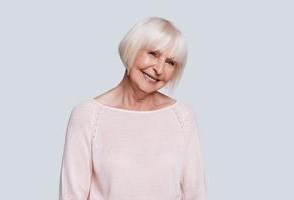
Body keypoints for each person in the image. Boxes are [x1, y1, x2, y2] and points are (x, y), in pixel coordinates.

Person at [59, 16, 208, 200]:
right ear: (132, 49)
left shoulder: (182, 117)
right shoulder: (88, 116)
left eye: (170, 62)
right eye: (153, 53)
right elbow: (72, 195)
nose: (159, 69)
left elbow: (195, 194)